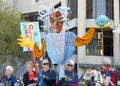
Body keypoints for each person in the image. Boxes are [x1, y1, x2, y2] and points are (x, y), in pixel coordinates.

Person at [17, 7, 109, 80]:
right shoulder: (48, 38)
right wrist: (32, 44)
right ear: (50, 22)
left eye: (59, 20)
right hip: (56, 71)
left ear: (63, 21)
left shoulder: (70, 37)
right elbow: (39, 53)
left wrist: (94, 28)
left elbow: (84, 40)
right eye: (53, 20)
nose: (56, 24)